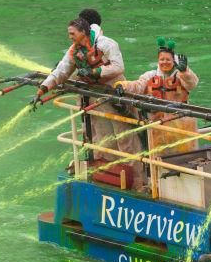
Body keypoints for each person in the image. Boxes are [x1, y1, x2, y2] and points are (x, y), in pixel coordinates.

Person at [34, 17, 145, 185]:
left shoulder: (106, 44)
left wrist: (95, 72)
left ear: (83, 32)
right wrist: (42, 90)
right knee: (103, 139)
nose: (70, 37)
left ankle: (138, 182)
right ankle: (112, 176)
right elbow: (60, 72)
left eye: (72, 34)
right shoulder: (74, 51)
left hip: (115, 95)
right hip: (95, 99)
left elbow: (118, 66)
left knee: (125, 139)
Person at [115, 37, 200, 156]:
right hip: (156, 123)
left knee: (185, 156)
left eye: (168, 60)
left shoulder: (180, 76)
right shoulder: (150, 75)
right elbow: (137, 86)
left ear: (173, 61)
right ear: (158, 60)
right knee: (159, 157)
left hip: (181, 123)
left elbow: (192, 84)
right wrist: (122, 85)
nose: (165, 62)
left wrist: (185, 71)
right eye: (162, 59)